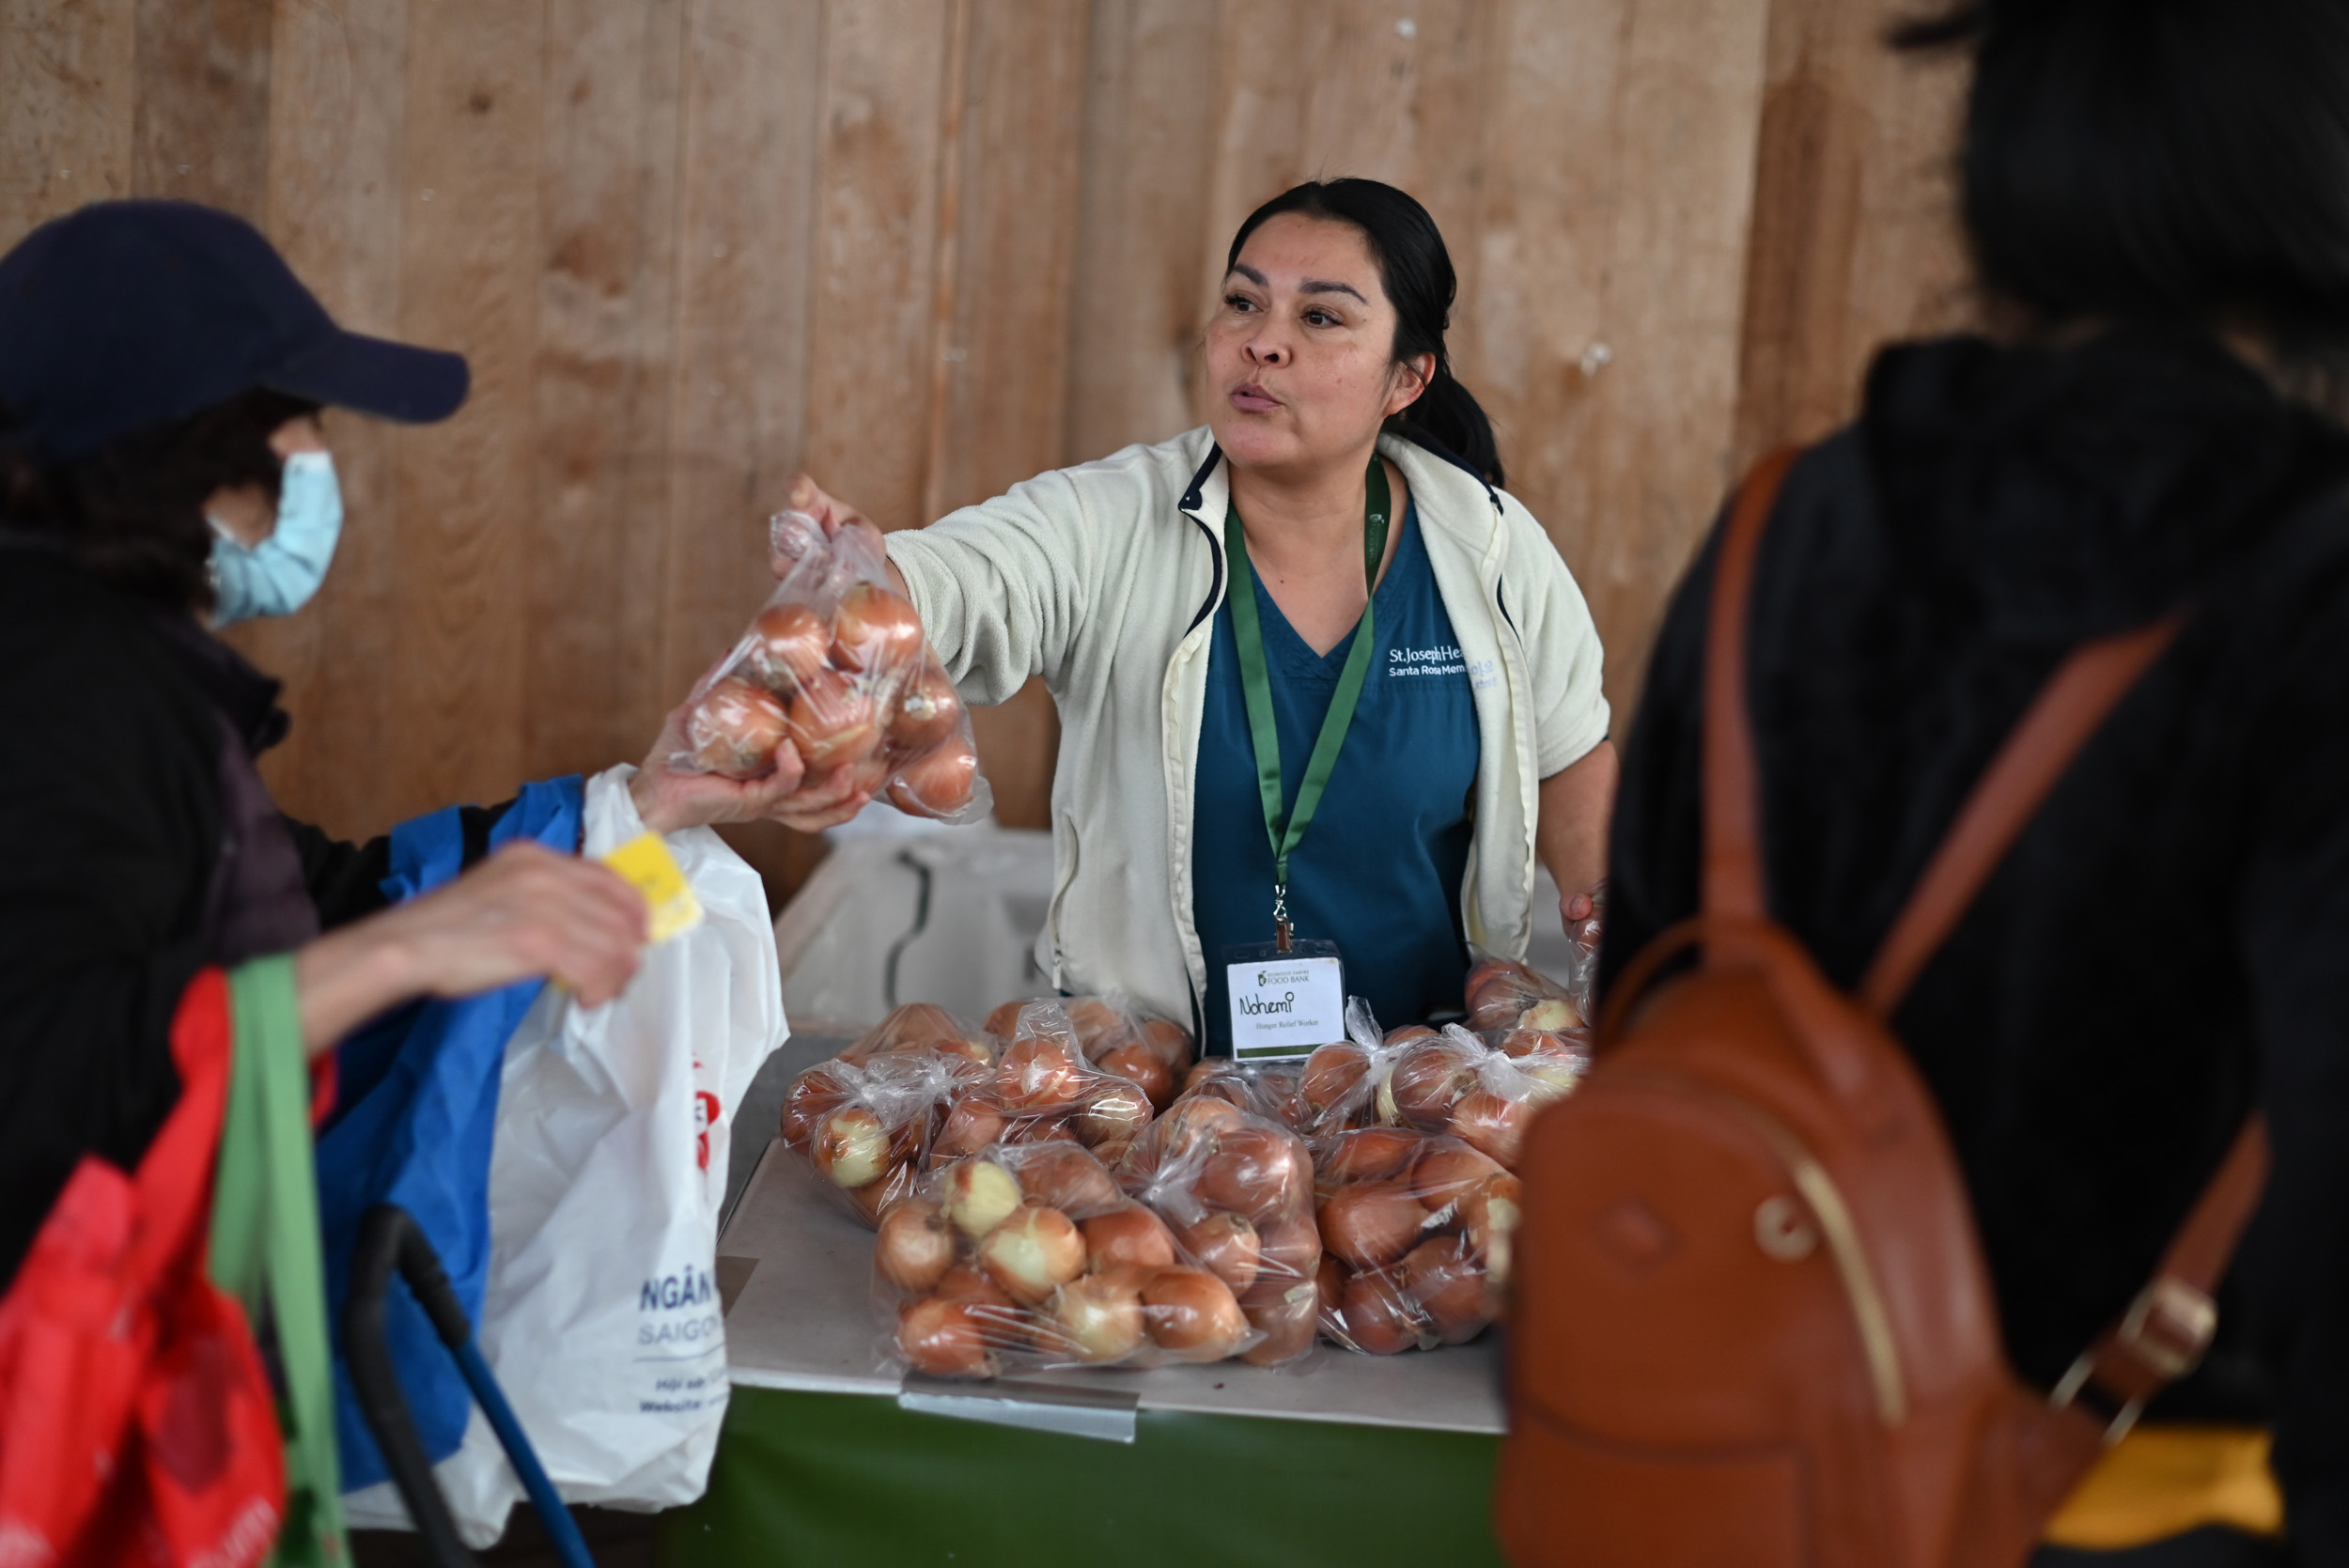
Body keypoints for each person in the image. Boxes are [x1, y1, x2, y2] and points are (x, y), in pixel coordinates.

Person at [1601, 1, 2349, 1560]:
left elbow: (1652, 1057)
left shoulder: (1779, 535)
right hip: (2144, 1499)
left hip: (1746, 1489)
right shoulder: (2307, 580)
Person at [0, 199, 842, 1292]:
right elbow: (44, 1071)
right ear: (191, 442)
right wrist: (399, 954)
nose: (318, 461)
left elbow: (325, 896)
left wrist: (640, 809)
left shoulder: (126, 669)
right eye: (301, 421)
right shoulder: (55, 686)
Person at [789, 179, 1614, 1053]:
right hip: (1151, 1096)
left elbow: (1565, 752)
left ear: (1405, 380)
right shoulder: (1109, 520)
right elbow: (974, 577)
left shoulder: (1487, 546)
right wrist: (872, 574)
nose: (1263, 343)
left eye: (1321, 319)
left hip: (1420, 1100)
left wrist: (1606, 927)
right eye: (1242, 302)